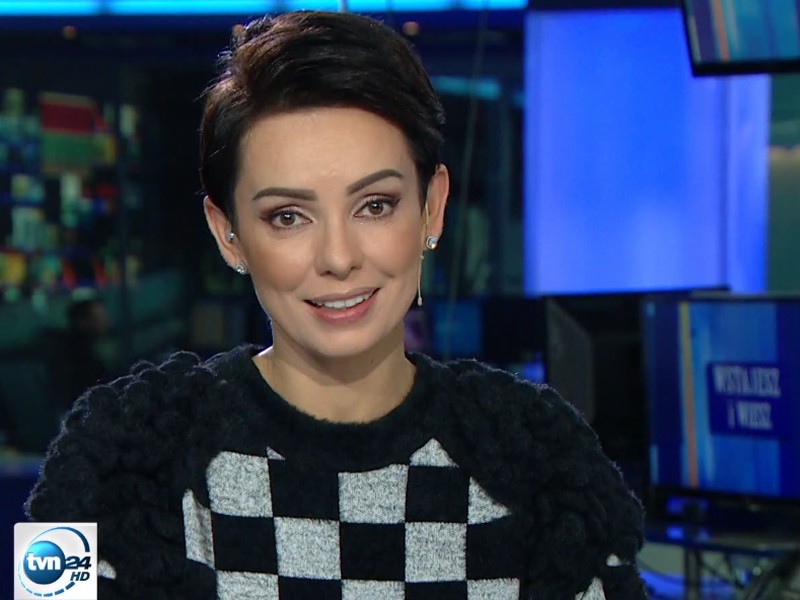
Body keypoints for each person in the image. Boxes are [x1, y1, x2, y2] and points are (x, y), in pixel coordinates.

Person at [26, 11, 647, 599]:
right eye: (287, 216)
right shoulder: (117, 457)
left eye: (375, 205)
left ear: (432, 208)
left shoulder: (539, 456)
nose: (339, 257)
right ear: (227, 233)